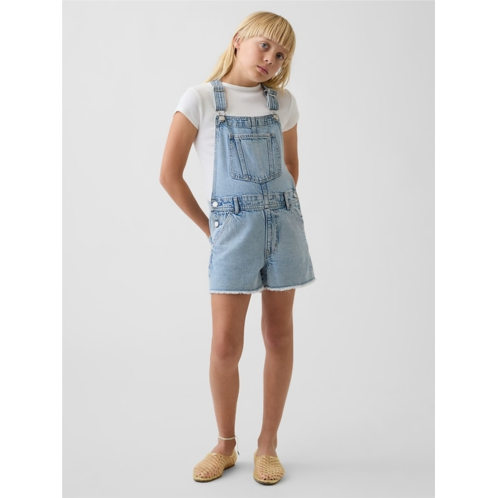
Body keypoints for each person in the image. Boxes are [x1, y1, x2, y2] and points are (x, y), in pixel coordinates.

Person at [159, 11, 315, 486]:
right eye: (265, 45)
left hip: (283, 228)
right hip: (232, 232)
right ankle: (225, 445)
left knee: (279, 337)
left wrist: (273, 214)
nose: (271, 59)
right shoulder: (201, 98)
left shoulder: (282, 103)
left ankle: (268, 444)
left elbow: (290, 167)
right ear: (238, 40)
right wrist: (212, 228)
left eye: (281, 54)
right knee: (226, 345)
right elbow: (169, 175)